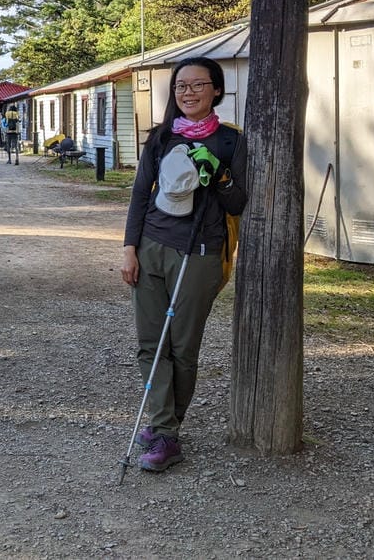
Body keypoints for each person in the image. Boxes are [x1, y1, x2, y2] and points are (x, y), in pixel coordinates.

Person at [120, 56, 247, 472]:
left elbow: (238, 203)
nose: (188, 93)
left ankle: (166, 428)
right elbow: (141, 194)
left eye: (197, 85)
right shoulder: (160, 138)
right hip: (153, 245)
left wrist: (221, 177)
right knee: (149, 344)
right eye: (180, 86)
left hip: (201, 253)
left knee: (181, 348)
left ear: (216, 90)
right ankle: (163, 428)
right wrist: (130, 248)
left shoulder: (230, 142)